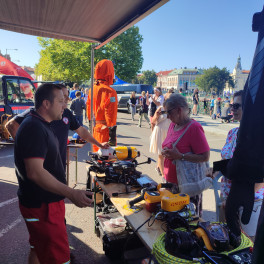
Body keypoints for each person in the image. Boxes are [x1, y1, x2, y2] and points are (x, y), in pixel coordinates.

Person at [14, 83, 93, 264]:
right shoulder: (34, 127)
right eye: (60, 101)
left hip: (44, 203)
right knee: (58, 258)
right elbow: (35, 172)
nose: (65, 105)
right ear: (46, 104)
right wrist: (72, 193)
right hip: (43, 206)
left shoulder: (41, 123)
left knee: (38, 247)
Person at [6, 84, 108, 171]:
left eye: (66, 98)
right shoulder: (36, 114)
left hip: (58, 165)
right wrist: (26, 152)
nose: (66, 101)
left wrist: (99, 144)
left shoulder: (66, 113)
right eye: (61, 99)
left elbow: (81, 131)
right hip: (42, 168)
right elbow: (11, 125)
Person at [206, 90, 264, 240]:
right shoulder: (233, 132)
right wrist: (216, 169)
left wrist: (240, 196)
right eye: (232, 105)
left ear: (250, 109)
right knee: (225, 239)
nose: (232, 109)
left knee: (247, 243)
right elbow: (232, 162)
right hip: (226, 197)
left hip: (250, 201)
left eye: (237, 106)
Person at [161, 94, 210, 217]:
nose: (167, 116)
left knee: (188, 222)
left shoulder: (194, 128)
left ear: (179, 110)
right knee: (171, 219)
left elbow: (205, 157)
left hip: (187, 186)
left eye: (169, 112)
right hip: (171, 182)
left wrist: (180, 156)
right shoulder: (173, 125)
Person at [86, 59, 118, 152]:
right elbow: (110, 113)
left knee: (96, 157)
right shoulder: (110, 91)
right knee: (106, 160)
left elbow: (88, 107)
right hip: (106, 131)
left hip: (95, 128)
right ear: (109, 71)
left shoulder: (92, 89)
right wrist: (112, 136)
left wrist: (91, 124)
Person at [149, 101, 171, 177]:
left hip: (168, 132)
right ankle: (163, 176)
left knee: (166, 155)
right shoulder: (160, 108)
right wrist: (157, 115)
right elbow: (153, 121)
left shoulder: (173, 109)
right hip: (159, 132)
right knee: (161, 154)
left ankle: (159, 167)